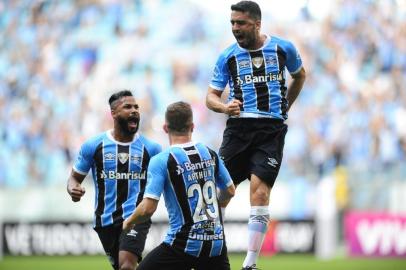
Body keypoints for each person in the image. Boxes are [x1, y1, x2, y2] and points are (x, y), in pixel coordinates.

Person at [206, 1, 306, 269]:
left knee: (260, 193)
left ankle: (250, 264)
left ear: (257, 23)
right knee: (220, 191)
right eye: (232, 23)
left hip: (270, 131)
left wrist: (286, 106)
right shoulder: (227, 56)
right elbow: (210, 97)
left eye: (240, 23)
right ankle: (215, 251)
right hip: (238, 130)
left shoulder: (284, 48)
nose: (235, 28)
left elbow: (300, 76)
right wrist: (224, 107)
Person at [122, 101, 236, 270]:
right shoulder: (210, 153)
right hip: (215, 243)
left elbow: (148, 209)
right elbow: (229, 190)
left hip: (182, 243)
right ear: (192, 126)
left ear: (165, 128)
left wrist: (129, 221)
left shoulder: (161, 160)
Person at [67, 90, 161, 270]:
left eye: (136, 107)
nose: (134, 110)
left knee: (127, 265)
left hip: (136, 217)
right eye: (127, 107)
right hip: (105, 221)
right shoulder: (93, 146)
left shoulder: (152, 149)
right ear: (114, 113)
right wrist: (73, 189)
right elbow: (74, 178)